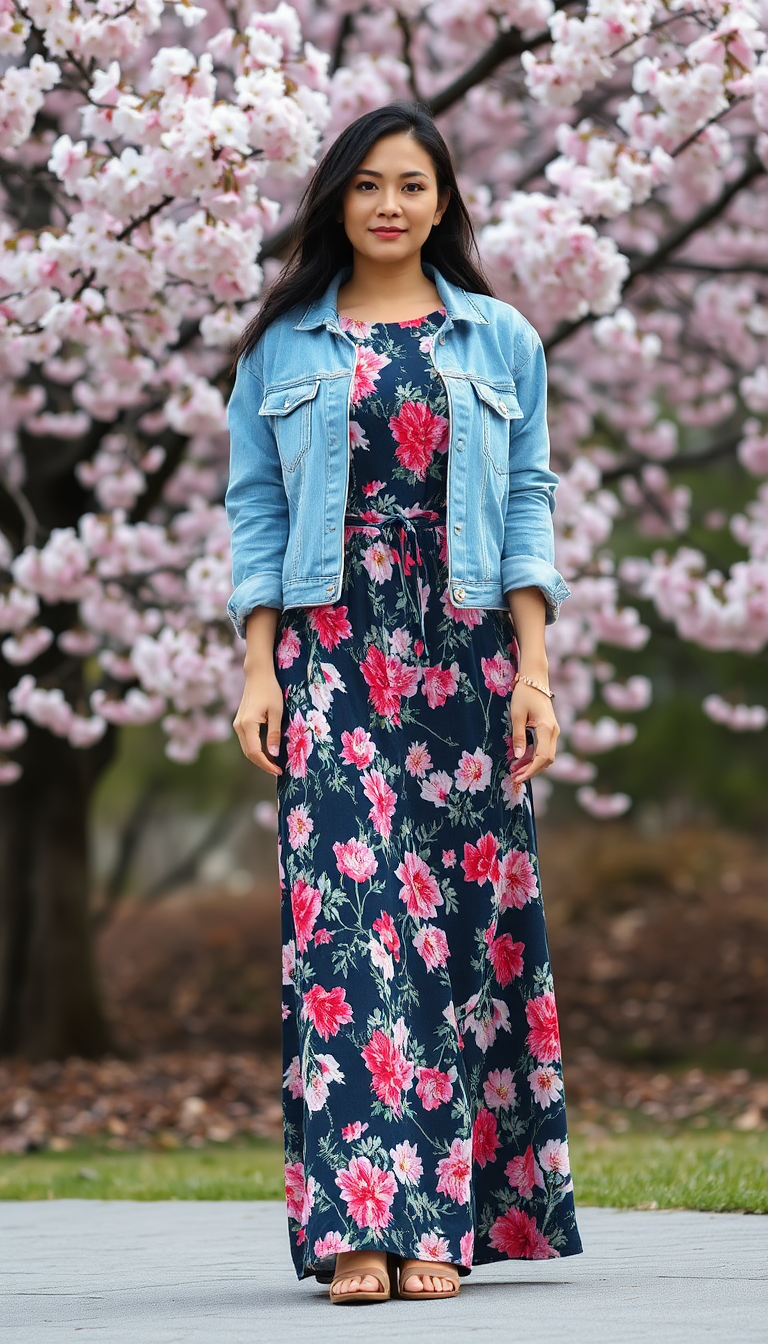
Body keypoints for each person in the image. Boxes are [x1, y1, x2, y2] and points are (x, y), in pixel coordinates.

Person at [225, 100, 583, 1305]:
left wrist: (535, 673)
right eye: (368, 184)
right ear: (338, 198)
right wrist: (255, 665)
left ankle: (436, 1221)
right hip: (331, 654)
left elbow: (527, 498)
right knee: (345, 927)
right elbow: (256, 515)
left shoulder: (500, 339)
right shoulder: (280, 348)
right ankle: (354, 1225)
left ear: (443, 204)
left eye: (413, 186)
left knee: (453, 933)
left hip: (467, 656)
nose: (389, 204)